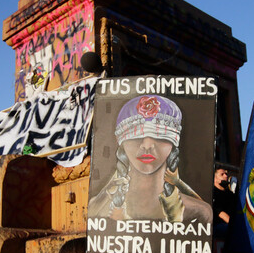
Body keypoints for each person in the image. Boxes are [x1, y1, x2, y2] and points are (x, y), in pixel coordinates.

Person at [89, 95, 211, 224]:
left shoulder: (199, 213)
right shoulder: (97, 207)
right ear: (120, 142)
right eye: (135, 136)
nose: (147, 145)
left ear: (174, 142)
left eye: (160, 136)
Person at [212, 168, 236, 239]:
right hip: (218, 225)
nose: (226, 176)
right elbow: (221, 213)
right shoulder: (212, 193)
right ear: (214, 178)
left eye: (226, 174)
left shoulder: (230, 194)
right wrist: (234, 225)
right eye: (222, 174)